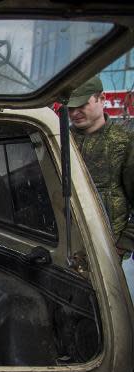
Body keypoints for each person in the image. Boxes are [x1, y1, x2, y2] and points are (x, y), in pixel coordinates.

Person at [67, 75, 134, 257]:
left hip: (107, 249)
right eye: (70, 107)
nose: (74, 113)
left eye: (81, 105)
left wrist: (124, 243)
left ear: (102, 99)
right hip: (64, 243)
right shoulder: (60, 139)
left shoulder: (125, 142)